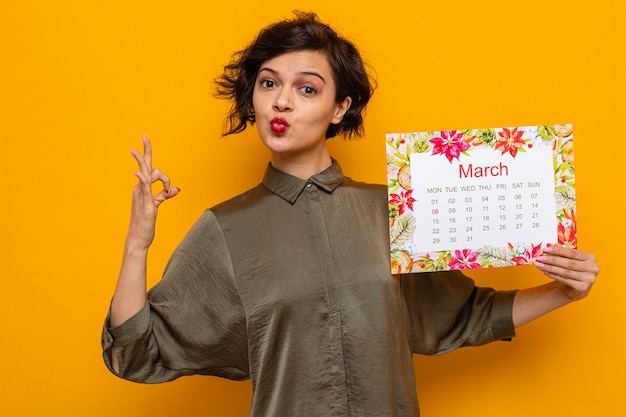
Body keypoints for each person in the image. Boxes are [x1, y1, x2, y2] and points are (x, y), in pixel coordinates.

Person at [101, 11, 599, 417]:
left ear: (340, 107)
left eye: (307, 88)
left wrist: (563, 291)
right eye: (269, 83)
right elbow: (137, 352)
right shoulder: (222, 230)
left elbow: (465, 316)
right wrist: (136, 246)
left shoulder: (398, 209)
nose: (281, 101)